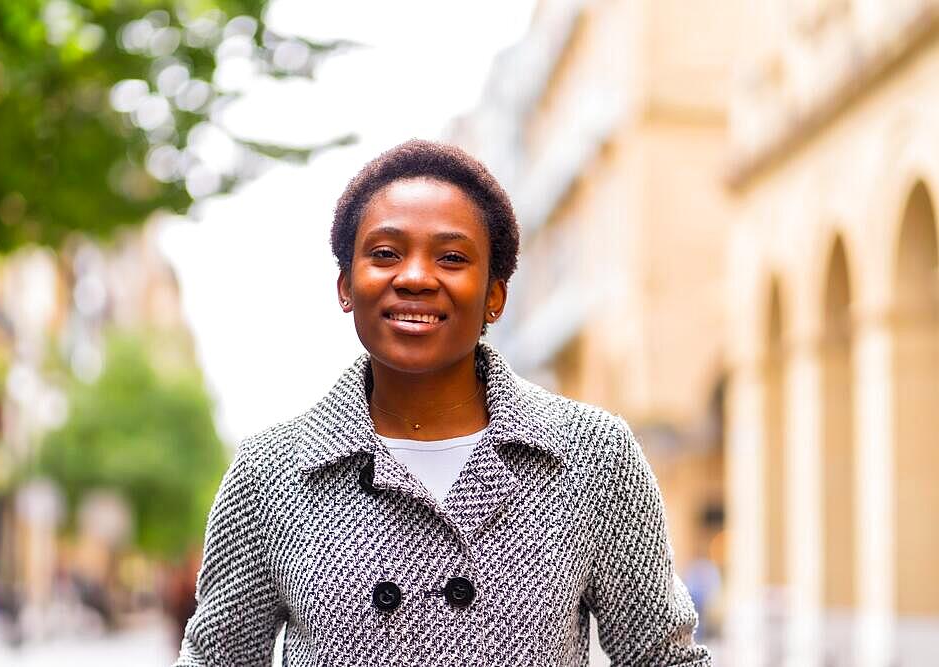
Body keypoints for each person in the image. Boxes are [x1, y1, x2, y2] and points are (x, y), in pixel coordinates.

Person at [174, 139, 711, 666]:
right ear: (345, 286)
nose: (413, 278)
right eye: (385, 254)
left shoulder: (594, 456)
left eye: (451, 257)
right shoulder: (269, 472)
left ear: (494, 297)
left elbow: (663, 660)